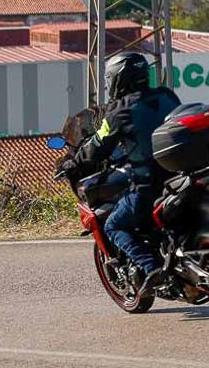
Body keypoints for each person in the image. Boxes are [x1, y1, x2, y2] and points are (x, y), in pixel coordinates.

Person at [65, 52, 181, 295]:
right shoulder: (167, 96)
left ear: (118, 79)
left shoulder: (119, 111)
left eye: (109, 78)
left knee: (115, 225)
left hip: (148, 185)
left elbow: (98, 144)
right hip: (179, 176)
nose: (107, 84)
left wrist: (75, 162)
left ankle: (151, 269)